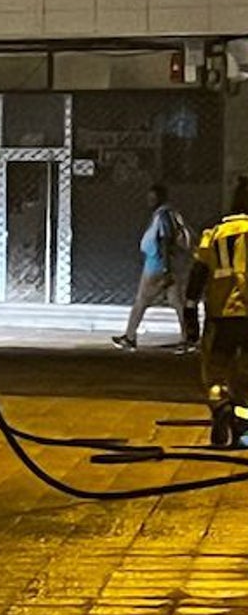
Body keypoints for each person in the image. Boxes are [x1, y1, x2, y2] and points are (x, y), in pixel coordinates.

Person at [185, 176, 248, 446]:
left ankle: (220, 405)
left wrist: (189, 309)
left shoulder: (213, 234)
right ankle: (243, 429)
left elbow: (198, 273)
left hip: (220, 316)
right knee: (245, 376)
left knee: (214, 372)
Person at [113, 184, 191, 352]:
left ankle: (130, 337)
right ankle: (187, 338)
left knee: (141, 301)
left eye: (152, 198)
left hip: (156, 265)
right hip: (168, 264)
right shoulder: (169, 213)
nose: (149, 201)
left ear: (160, 198)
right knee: (177, 303)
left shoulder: (162, 215)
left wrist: (164, 267)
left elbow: (164, 239)